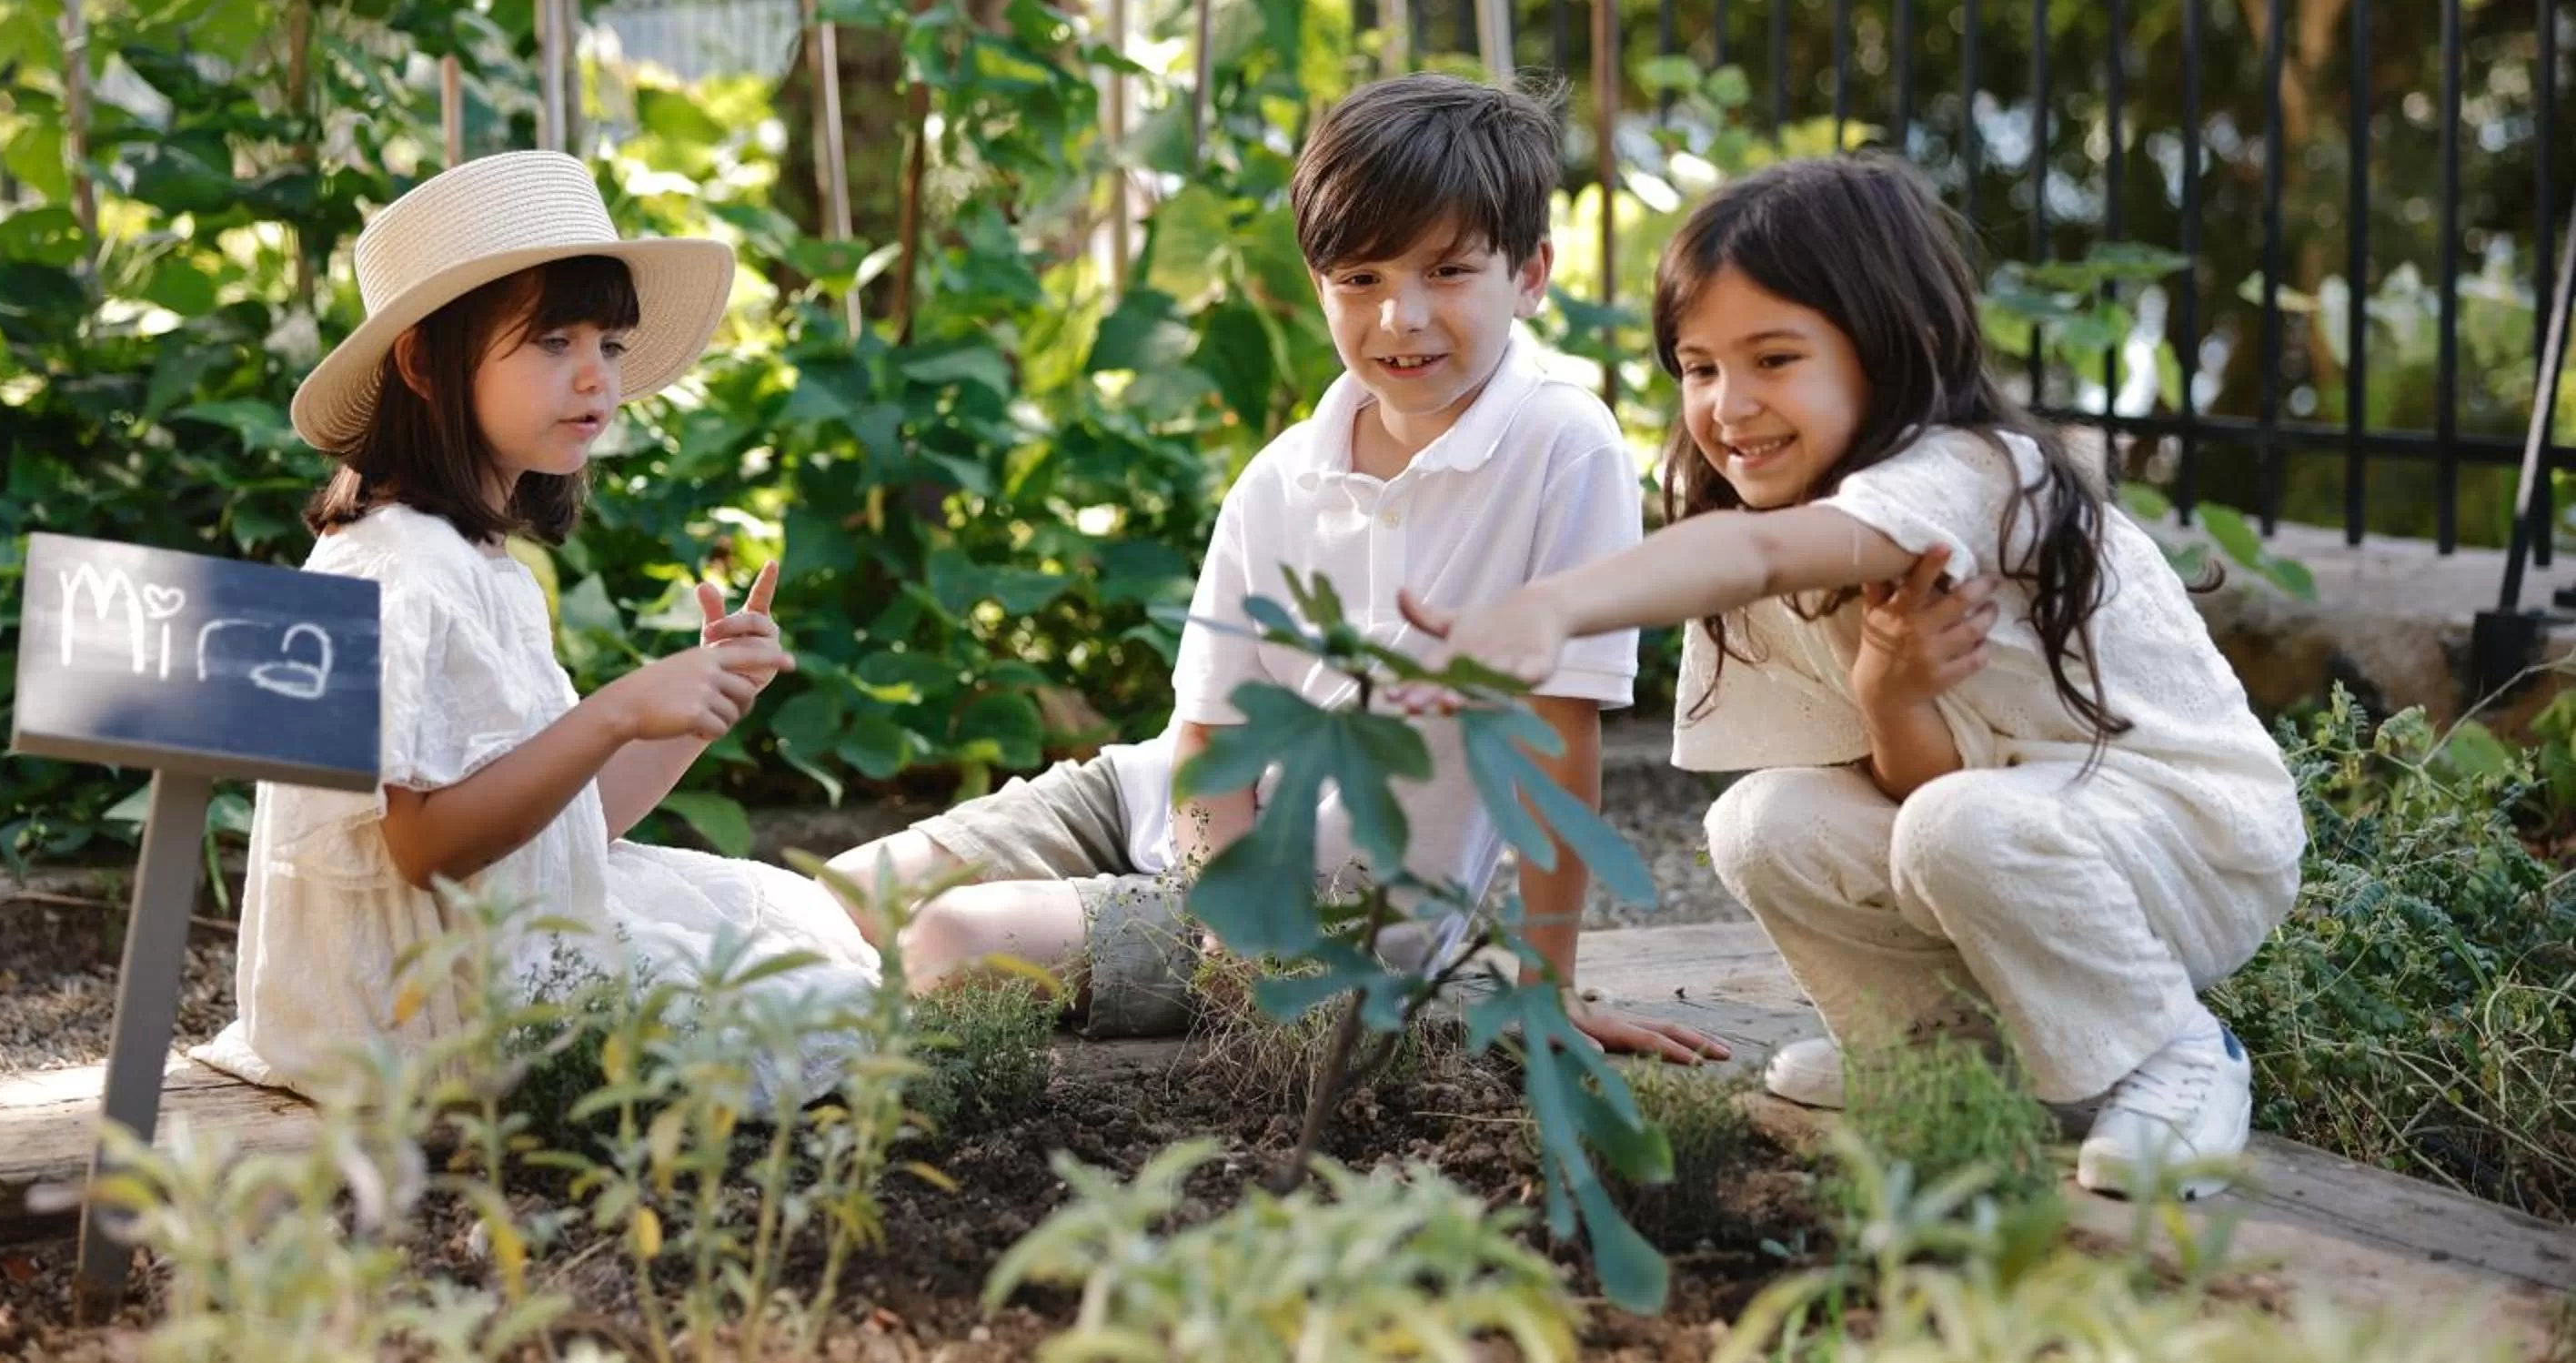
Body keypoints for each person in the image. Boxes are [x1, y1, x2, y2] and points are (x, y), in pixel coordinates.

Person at [1396, 154, 2304, 1198]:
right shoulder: (1789, 540)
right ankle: (1935, 1052)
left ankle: (2178, 1055)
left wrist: (1549, 606)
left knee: (1964, 825)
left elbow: (1763, 555)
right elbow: (1908, 799)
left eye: (1774, 358)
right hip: (2013, 830)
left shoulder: (1967, 473)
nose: (1729, 405)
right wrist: (1890, 698)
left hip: (2192, 843)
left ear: (1894, 346)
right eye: (1698, 367)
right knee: (1766, 819)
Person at [826, 75, 1731, 1061]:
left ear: (1530, 273)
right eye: (1362, 279)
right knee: (829, 901)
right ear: (1318, 285)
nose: (1401, 318)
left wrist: (1544, 987)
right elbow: (1209, 740)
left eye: (1447, 271)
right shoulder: (1284, 477)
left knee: (948, 943)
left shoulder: (1566, 446)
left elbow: (1560, 738)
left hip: (1316, 912)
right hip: (1146, 800)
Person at [197, 151, 880, 1102]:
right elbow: (424, 849)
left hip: (469, 960)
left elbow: (568, 826)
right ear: (423, 362)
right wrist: (612, 710)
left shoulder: (475, 560)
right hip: (412, 1012)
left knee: (794, 930)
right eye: (554, 341)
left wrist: (696, 705)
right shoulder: (393, 566)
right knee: (813, 998)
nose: (595, 377)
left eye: (611, 345)